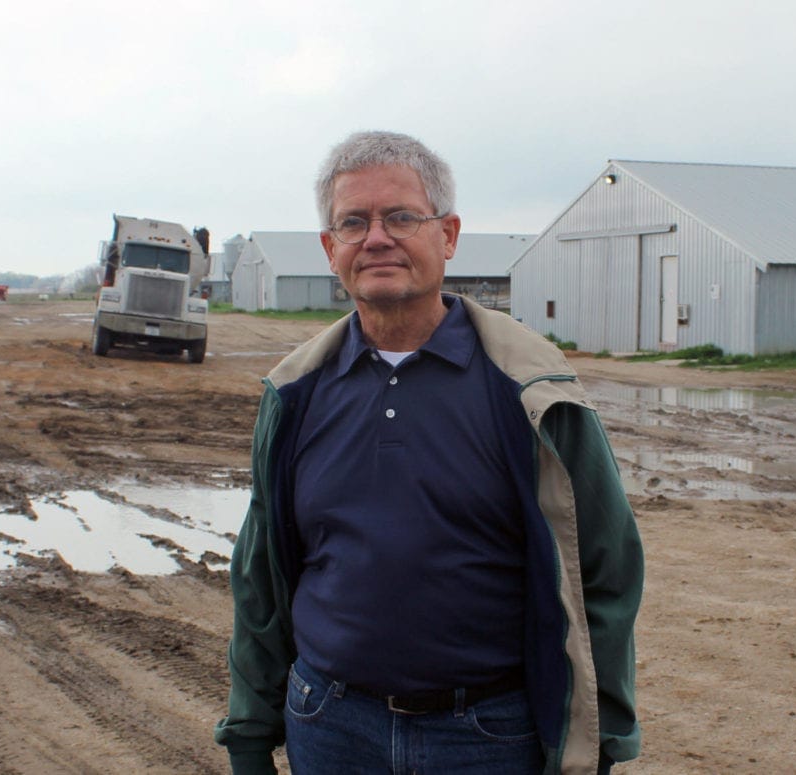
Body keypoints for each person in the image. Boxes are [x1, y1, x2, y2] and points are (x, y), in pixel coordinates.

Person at [215, 130, 644, 774]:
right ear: (331, 250)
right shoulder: (295, 394)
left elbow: (604, 571)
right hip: (330, 728)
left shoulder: (530, 391)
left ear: (448, 235)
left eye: (401, 217)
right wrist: (249, 734)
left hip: (488, 736)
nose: (377, 238)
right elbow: (261, 579)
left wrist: (601, 742)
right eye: (353, 222)